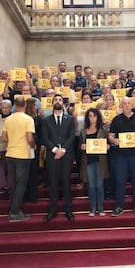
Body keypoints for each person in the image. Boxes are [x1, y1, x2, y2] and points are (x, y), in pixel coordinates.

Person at [109, 97, 135, 217]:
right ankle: (119, 206)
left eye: (128, 103)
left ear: (132, 105)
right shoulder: (116, 119)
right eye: (124, 103)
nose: (126, 105)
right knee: (120, 181)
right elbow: (110, 136)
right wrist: (114, 140)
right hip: (121, 156)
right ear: (121, 106)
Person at [42, 94, 76, 223]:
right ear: (52, 103)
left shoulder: (70, 119)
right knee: (53, 183)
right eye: (55, 100)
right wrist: (55, 150)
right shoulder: (46, 120)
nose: (57, 101)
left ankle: (68, 209)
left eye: (60, 100)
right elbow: (45, 137)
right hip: (52, 156)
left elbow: (72, 136)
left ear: (63, 103)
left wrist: (63, 150)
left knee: (67, 183)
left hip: (66, 156)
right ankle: (53, 210)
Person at [2, 97, 36, 222]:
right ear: (25, 105)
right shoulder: (28, 119)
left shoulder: (9, 119)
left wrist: (13, 139)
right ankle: (14, 212)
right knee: (21, 184)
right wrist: (33, 146)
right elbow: (29, 138)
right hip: (22, 155)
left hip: (10, 153)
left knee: (13, 185)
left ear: (14, 106)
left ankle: (14, 209)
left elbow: (4, 137)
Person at [80, 108, 109, 216]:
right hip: (88, 162)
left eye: (94, 116)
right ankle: (92, 208)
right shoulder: (83, 132)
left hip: (100, 161)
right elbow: (80, 147)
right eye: (90, 116)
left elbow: (109, 144)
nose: (92, 118)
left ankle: (100, 208)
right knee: (91, 186)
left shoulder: (103, 131)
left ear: (98, 117)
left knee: (100, 185)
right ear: (87, 118)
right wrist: (82, 147)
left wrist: (108, 146)